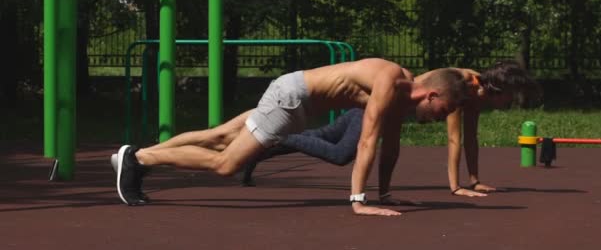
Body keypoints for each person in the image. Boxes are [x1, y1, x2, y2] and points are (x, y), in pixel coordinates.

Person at [114, 58, 469, 216]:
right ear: (432, 96)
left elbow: (391, 147)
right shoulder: (390, 82)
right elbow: (366, 142)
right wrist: (358, 201)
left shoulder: (402, 98)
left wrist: (387, 193)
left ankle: (136, 154)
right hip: (291, 98)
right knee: (226, 164)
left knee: (219, 136)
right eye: (443, 112)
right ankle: (139, 160)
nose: (440, 120)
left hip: (295, 102)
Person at [238, 60, 538, 200]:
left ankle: (258, 150)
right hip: (370, 107)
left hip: (378, 110)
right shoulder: (463, 85)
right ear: (499, 89)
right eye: (511, 95)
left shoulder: (476, 92)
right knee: (341, 152)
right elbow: (454, 137)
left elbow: (470, 138)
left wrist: (473, 181)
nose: (511, 102)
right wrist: (455, 187)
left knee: (321, 138)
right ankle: (269, 136)